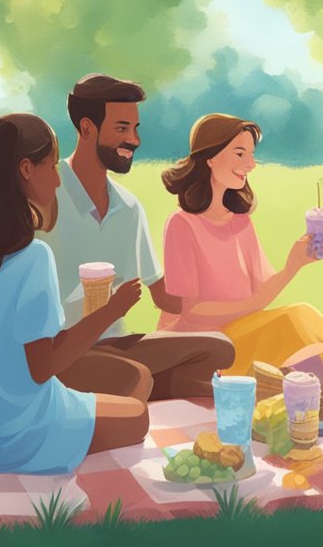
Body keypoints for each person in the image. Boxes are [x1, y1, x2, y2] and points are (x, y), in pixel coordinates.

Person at [0, 113, 148, 475]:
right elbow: (43, 368)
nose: (58, 180)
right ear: (26, 168)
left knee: (127, 384)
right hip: (11, 437)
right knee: (138, 415)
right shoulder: (33, 257)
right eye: (52, 166)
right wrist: (112, 309)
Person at [38, 75, 234, 401]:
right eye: (122, 128)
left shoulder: (128, 207)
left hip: (114, 345)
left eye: (136, 128)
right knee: (137, 376)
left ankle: (154, 392)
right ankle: (144, 392)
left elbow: (163, 295)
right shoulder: (46, 194)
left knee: (218, 349)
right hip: (61, 351)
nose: (135, 140)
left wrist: (210, 269)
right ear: (87, 129)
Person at [157, 114, 323, 375]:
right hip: (198, 347)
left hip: (239, 335)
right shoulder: (181, 224)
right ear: (210, 157)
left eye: (251, 155)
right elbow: (192, 311)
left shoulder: (241, 222)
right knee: (298, 320)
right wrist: (255, 301)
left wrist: (295, 264)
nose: (251, 164)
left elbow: (261, 292)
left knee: (306, 324)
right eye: (240, 154)